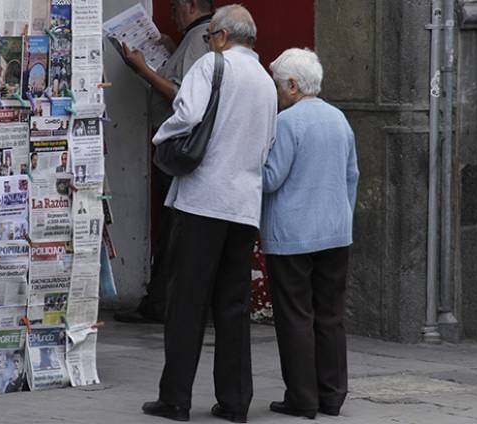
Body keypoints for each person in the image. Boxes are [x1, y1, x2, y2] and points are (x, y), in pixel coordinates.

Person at [141, 6, 277, 423]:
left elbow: (185, 116)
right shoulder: (268, 81)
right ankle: (235, 401)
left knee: (187, 303)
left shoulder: (210, 65)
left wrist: (160, 137)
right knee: (232, 306)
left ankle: (176, 398)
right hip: (243, 205)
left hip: (202, 200)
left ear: (218, 36)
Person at [261, 48, 359, 419]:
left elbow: (271, 180)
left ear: (291, 84)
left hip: (291, 235)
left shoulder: (287, 123)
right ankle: (332, 395)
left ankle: (302, 397)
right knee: (330, 316)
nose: (276, 91)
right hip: (335, 232)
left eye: (277, 84)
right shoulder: (339, 119)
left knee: (295, 316)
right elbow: (352, 176)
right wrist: (341, 214)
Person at [114, 0, 214, 325]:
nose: (171, 17)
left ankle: (161, 303)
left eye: (173, 10)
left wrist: (143, 70)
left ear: (189, 6)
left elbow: (185, 98)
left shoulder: (201, 38)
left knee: (174, 226)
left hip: (181, 148)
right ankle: (163, 300)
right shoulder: (196, 38)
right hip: (179, 148)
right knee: (174, 225)